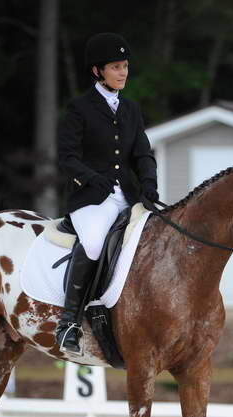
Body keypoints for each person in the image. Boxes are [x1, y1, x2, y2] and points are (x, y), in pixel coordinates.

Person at [56, 32, 159, 353]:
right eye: (116, 67)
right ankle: (69, 321)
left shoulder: (131, 110)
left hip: (127, 197)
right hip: (91, 198)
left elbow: (142, 153)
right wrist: (91, 178)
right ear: (97, 71)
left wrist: (150, 183)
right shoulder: (79, 108)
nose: (123, 72)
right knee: (95, 241)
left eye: (125, 66)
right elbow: (67, 157)